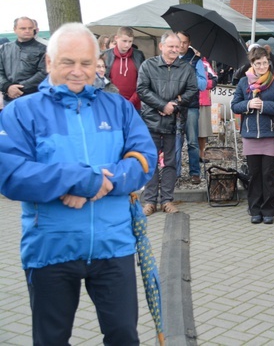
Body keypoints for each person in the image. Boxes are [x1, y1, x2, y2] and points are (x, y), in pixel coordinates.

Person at [0, 23, 157, 345]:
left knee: (124, 336)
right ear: (48, 63)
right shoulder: (21, 112)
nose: (77, 72)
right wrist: (79, 179)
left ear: (97, 63)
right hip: (51, 249)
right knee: (51, 339)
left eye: (86, 63)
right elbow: (11, 175)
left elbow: (144, 160)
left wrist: (101, 182)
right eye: (67, 62)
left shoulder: (118, 108)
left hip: (114, 246)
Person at [137, 32, 199, 215]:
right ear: (161, 46)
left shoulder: (186, 68)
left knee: (171, 162)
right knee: (151, 161)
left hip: (174, 121)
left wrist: (175, 104)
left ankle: (167, 200)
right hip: (151, 121)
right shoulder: (148, 66)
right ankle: (150, 201)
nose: (174, 49)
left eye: (177, 46)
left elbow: (192, 89)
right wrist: (161, 105)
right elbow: (142, 89)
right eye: (170, 46)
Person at [231, 47, 274, 224]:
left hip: (271, 134)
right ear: (252, 64)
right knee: (254, 174)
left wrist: (264, 106)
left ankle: (268, 210)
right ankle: (255, 209)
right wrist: (249, 104)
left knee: (268, 175)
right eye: (258, 63)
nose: (262, 66)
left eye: (265, 62)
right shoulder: (243, 83)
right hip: (250, 136)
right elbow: (235, 106)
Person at [175, 32, 208, 185]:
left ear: (189, 43)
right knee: (175, 141)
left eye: (184, 42)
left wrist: (189, 73)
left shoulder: (196, 60)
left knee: (193, 141)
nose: (181, 45)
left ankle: (195, 172)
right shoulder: (170, 58)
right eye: (179, 42)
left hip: (191, 106)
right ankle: (174, 173)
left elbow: (202, 84)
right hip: (174, 105)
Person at [0, 17, 47, 106]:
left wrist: (19, 88)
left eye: (30, 28)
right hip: (9, 98)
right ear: (15, 30)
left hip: (33, 97)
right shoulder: (4, 48)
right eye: (23, 28)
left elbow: (44, 73)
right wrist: (7, 87)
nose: (27, 31)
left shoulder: (43, 49)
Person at [102, 26, 146, 109]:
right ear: (116, 38)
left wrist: (131, 102)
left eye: (130, 41)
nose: (127, 45)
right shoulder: (106, 55)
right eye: (124, 41)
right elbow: (102, 80)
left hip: (134, 105)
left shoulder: (138, 55)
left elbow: (143, 82)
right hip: (111, 103)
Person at [198, 55, 218, 164]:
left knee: (203, 131)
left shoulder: (205, 64)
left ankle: (201, 153)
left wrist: (203, 84)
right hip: (188, 101)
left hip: (203, 100)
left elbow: (215, 79)